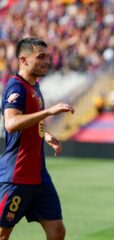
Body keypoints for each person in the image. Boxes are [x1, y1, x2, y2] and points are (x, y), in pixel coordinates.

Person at [0, 38, 75, 240]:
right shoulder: (16, 88)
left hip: (39, 176)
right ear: (24, 59)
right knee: (2, 233)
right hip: (18, 174)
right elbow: (11, 123)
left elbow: (30, 122)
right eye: (41, 57)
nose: (47, 61)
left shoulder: (35, 87)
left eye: (47, 56)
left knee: (57, 231)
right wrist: (49, 112)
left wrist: (46, 135)